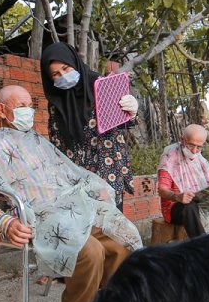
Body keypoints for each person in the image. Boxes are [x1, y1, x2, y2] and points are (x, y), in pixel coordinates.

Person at [0, 84, 143, 302]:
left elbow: (65, 174)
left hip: (70, 211)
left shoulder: (37, 141)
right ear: (2, 110)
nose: (28, 111)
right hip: (40, 219)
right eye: (20, 106)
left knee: (121, 239)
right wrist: (4, 222)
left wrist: (91, 188)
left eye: (30, 106)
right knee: (91, 251)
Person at [40, 42, 138, 211]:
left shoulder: (101, 85)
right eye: (56, 74)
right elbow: (57, 143)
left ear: (74, 62)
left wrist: (132, 112)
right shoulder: (56, 103)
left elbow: (123, 121)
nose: (63, 75)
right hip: (76, 175)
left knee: (111, 225)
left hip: (107, 167)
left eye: (66, 68)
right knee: (84, 229)